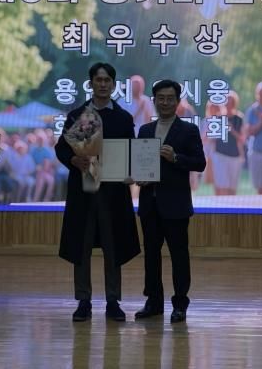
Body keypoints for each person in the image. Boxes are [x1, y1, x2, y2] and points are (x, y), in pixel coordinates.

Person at [55, 63, 140, 322]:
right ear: (91, 83)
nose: (103, 84)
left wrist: (133, 171)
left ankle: (113, 301)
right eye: (98, 80)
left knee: (113, 247)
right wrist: (73, 160)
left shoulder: (123, 118)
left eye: (107, 80)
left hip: (113, 194)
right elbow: (61, 148)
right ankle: (83, 301)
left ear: (113, 85)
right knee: (81, 247)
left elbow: (133, 152)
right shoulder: (79, 115)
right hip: (84, 191)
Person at [135, 79, 206, 323]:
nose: (165, 102)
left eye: (170, 98)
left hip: (176, 205)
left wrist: (176, 158)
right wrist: (136, 176)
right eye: (161, 98)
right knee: (151, 255)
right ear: (154, 100)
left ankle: (180, 304)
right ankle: (153, 302)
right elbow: (139, 164)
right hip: (149, 204)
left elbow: (200, 163)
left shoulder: (188, 130)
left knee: (179, 256)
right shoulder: (145, 130)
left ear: (177, 102)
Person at [211, 91, 245, 196]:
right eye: (227, 103)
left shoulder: (239, 118)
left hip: (235, 157)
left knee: (232, 188)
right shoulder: (217, 118)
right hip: (220, 156)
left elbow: (242, 138)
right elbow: (212, 138)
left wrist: (232, 130)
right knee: (222, 186)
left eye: (231, 103)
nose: (229, 105)